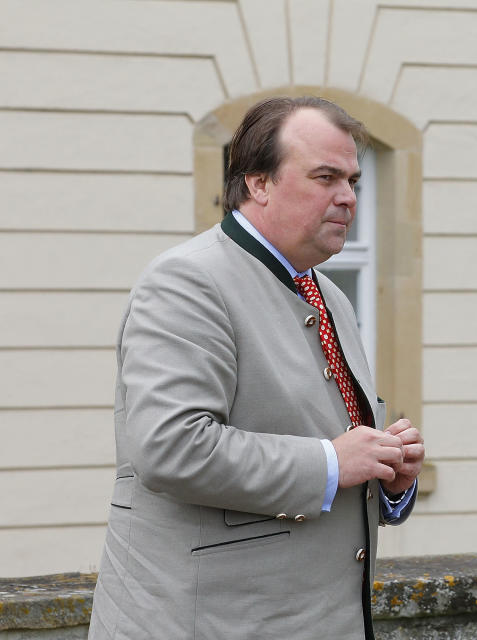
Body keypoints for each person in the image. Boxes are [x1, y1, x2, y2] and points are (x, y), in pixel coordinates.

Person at [88, 96, 424, 640]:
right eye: (325, 177)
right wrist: (333, 462)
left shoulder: (328, 294)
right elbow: (170, 447)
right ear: (257, 184)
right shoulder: (188, 281)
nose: (347, 198)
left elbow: (329, 452)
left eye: (354, 181)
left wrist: (389, 476)